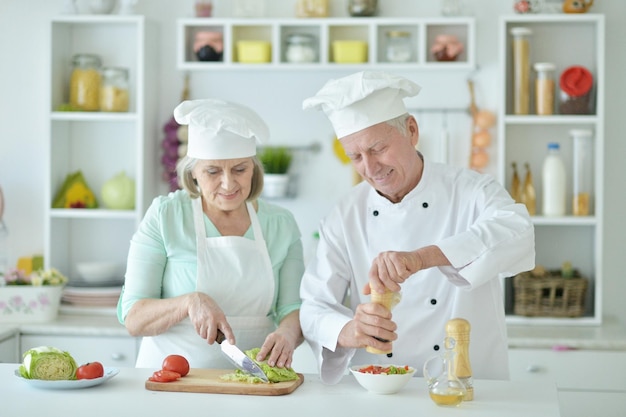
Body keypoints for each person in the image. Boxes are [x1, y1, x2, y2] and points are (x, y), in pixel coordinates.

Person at [299, 70, 535, 384]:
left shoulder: (472, 191)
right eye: (355, 156)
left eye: (378, 149)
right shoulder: (344, 215)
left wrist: (421, 258)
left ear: (411, 130)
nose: (370, 169)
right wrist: (348, 330)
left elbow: (517, 230)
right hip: (378, 389)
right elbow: (314, 307)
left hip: (464, 385)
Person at [117, 99, 305, 369]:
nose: (228, 183)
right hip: (172, 382)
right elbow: (134, 318)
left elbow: (293, 309)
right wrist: (189, 302)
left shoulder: (281, 224)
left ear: (254, 168)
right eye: (213, 171)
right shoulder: (166, 216)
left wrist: (287, 333)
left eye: (240, 169)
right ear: (193, 172)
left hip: (252, 383)